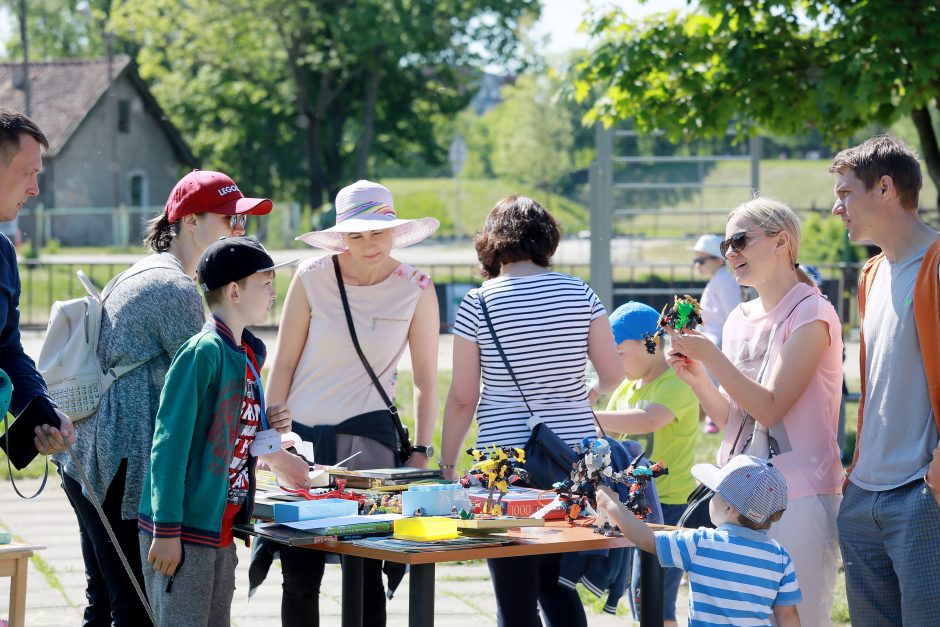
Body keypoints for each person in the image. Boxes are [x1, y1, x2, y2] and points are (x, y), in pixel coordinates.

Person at [53, 169, 307, 626]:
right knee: (136, 610)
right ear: (190, 221)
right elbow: (223, 391)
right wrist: (269, 443)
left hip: (91, 461)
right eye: (230, 220)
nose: (238, 230)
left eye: (242, 223)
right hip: (123, 473)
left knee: (107, 603)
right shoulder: (174, 289)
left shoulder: (153, 273)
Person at [439, 195, 624, 627]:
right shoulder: (581, 293)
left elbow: (464, 396)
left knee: (514, 594)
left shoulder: (478, 303)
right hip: (575, 460)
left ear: (491, 241)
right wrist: (585, 396)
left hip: (504, 464)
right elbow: (613, 375)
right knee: (557, 583)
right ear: (547, 239)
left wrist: (448, 464)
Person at [262, 179, 440, 626]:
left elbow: (424, 381)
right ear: (341, 236)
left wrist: (421, 451)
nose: (368, 244)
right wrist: (269, 441)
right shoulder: (311, 276)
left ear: (394, 230)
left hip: (370, 442)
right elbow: (281, 363)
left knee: (366, 569)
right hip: (301, 440)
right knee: (299, 574)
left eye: (377, 232)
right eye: (356, 234)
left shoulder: (416, 285)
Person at [666, 197, 843, 626]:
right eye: (726, 244)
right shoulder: (736, 319)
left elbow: (771, 405)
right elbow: (736, 421)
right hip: (736, 491)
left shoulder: (811, 311)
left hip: (798, 497)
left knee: (799, 618)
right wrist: (700, 380)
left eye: (741, 241)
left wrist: (711, 357)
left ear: (782, 242)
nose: (730, 253)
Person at [138, 236, 293, 626]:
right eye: (266, 283)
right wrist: (167, 530)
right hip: (185, 529)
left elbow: (230, 433)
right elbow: (168, 445)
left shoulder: (245, 353)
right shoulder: (202, 352)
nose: (274, 293)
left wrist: (266, 422)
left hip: (220, 526)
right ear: (235, 290)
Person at [829, 135, 940, 625]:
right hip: (863, 497)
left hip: (922, 495)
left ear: (886, 188)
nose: (837, 208)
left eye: (846, 192)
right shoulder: (870, 274)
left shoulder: (936, 263)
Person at [596, 454, 802, 627]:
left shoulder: (701, 543)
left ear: (729, 509)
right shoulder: (779, 556)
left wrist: (612, 505)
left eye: (713, 494)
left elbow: (647, 540)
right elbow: (787, 614)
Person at [594, 301, 698, 627]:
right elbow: (605, 432)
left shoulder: (677, 382)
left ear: (649, 342)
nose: (615, 364)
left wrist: (591, 415)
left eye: (620, 354)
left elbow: (650, 419)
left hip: (669, 505)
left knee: (654, 597)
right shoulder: (626, 387)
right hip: (636, 506)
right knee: (638, 595)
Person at [0, 107, 73, 458]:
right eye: (28, 173)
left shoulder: (3, 254)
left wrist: (43, 410)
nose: (35, 188)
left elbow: (8, 350)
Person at [690, 233, 742, 434]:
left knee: (714, 380)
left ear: (717, 260)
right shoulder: (717, 280)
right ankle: (711, 414)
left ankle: (714, 415)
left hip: (718, 340)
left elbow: (732, 312)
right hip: (712, 338)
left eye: (700, 260)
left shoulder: (722, 280)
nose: (697, 265)